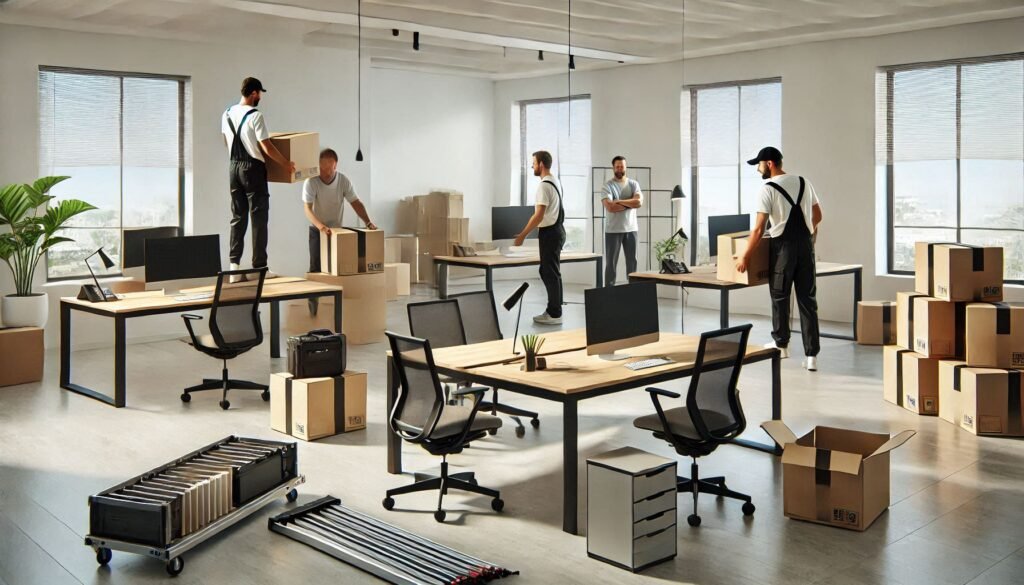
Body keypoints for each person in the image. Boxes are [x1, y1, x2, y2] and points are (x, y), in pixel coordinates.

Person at [736, 146, 823, 371]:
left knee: (780, 297)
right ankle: (811, 356)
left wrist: (744, 256)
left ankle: (781, 346)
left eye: (759, 164)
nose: (758, 169)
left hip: (783, 249)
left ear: (770, 163)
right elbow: (818, 216)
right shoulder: (805, 182)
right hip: (805, 248)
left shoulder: (767, 189)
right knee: (807, 301)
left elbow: (758, 229)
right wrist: (809, 237)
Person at [221, 77, 294, 282]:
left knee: (238, 217)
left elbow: (226, 140)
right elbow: (267, 147)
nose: (260, 97)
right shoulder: (256, 116)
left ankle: (234, 268)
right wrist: (286, 164)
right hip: (252, 169)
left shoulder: (226, 113)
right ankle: (259, 268)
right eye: (259, 93)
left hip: (233, 167)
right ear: (253, 93)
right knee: (259, 219)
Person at [303, 148, 376, 274]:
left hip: (337, 230)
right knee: (316, 268)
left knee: (336, 267)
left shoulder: (343, 181)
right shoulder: (311, 181)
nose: (325, 173)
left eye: (329, 169)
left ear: (335, 165)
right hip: (317, 230)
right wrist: (321, 227)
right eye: (322, 169)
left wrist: (368, 222)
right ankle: (317, 293)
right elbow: (307, 209)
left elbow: (356, 203)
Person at [514, 150, 564, 325]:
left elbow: (539, 215)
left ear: (541, 164)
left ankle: (555, 313)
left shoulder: (544, 185)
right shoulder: (555, 180)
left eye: (534, 163)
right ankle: (555, 310)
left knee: (549, 272)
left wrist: (522, 235)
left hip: (550, 233)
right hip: (557, 231)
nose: (532, 166)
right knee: (551, 272)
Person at [601, 155, 643, 286]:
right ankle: (608, 292)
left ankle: (632, 291)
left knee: (632, 263)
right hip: (613, 230)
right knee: (611, 265)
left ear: (626, 167)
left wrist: (618, 201)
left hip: (631, 229)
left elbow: (638, 203)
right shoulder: (607, 186)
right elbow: (610, 207)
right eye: (617, 166)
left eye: (622, 166)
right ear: (613, 168)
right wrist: (629, 203)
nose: (620, 169)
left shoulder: (633, 184)